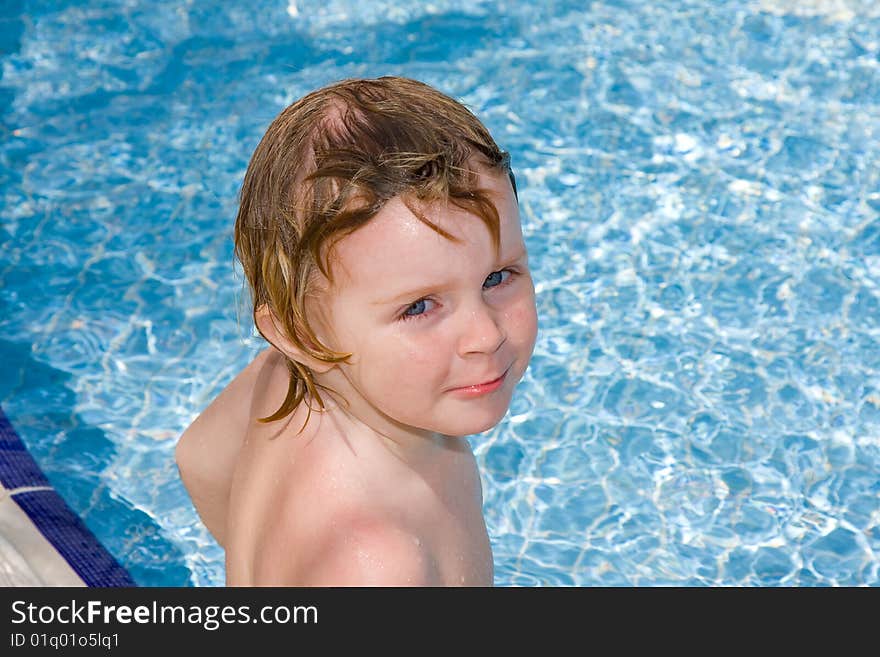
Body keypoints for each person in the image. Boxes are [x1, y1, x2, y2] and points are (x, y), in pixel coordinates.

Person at [175, 76, 538, 586]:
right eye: (419, 307)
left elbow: (198, 457)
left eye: (497, 278)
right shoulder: (379, 565)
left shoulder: (290, 376)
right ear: (303, 336)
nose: (485, 334)